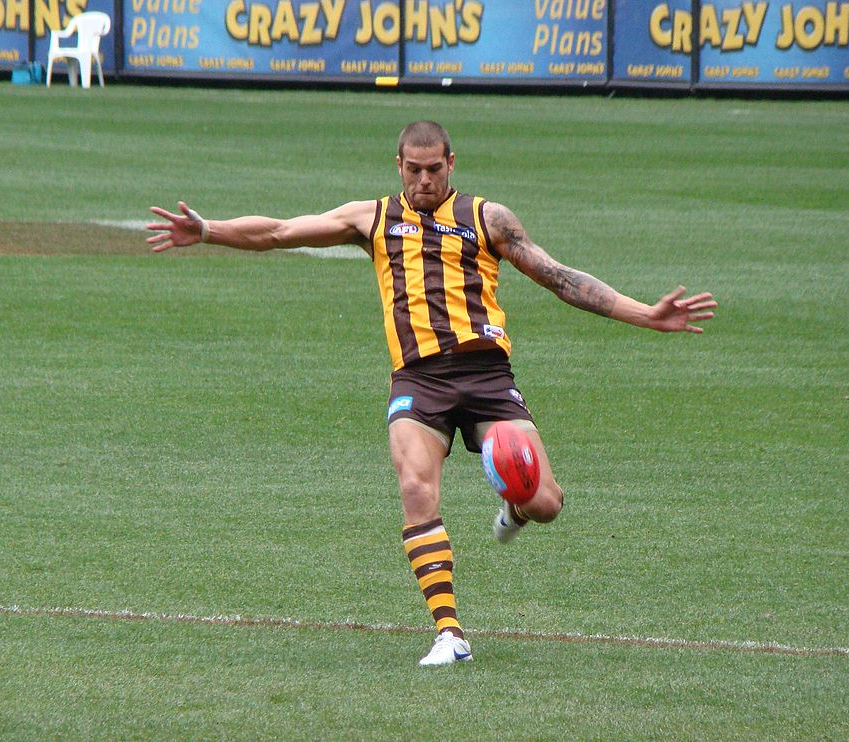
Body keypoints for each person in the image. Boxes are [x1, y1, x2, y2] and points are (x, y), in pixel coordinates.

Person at [147, 120, 717, 667]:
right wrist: (207, 230)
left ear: (451, 164)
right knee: (416, 484)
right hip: (419, 381)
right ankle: (449, 632)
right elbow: (278, 232)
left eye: (434, 170)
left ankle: (514, 505)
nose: (424, 181)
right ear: (398, 166)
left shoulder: (486, 217)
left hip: (488, 376)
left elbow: (558, 276)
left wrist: (647, 314)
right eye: (413, 170)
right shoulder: (369, 219)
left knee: (545, 503)